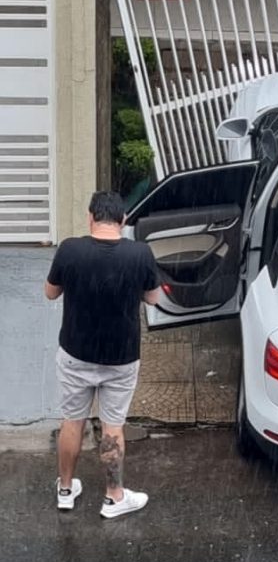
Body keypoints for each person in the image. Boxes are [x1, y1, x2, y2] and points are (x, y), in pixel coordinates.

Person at [45, 191, 160, 518]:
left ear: (90, 217)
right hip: (120, 358)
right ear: (123, 221)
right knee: (112, 427)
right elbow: (153, 300)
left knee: (72, 421)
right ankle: (113, 496)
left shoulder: (70, 249)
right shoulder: (140, 254)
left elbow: (50, 293)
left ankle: (65, 490)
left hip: (75, 354)